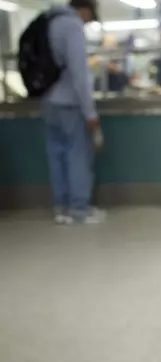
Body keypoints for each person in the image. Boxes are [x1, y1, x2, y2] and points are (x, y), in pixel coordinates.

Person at [42, 0, 105, 224]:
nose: (87, 21)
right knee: (78, 155)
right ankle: (79, 209)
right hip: (70, 102)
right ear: (84, 9)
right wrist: (90, 113)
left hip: (48, 101)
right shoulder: (72, 26)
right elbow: (80, 74)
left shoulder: (48, 22)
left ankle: (61, 209)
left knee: (56, 155)